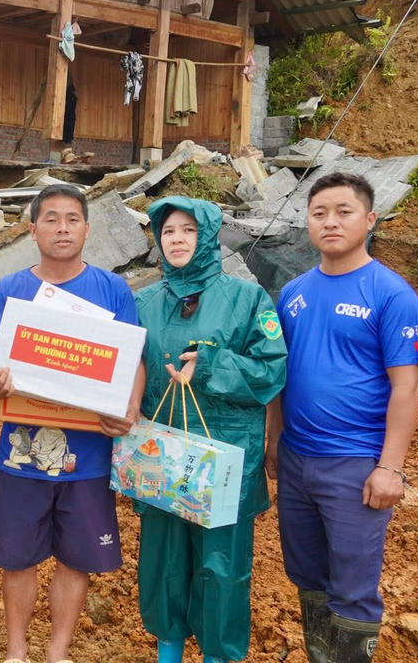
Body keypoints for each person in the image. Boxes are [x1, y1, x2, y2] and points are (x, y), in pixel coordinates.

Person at [0, 183, 145, 663]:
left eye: (72, 218)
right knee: (17, 557)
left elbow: (133, 362)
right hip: (22, 454)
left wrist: (128, 408)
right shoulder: (11, 289)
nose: (62, 228)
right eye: (50, 218)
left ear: (87, 229)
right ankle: (16, 652)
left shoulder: (112, 289)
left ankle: (57, 652)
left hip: (89, 456)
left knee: (77, 559)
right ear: (32, 230)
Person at [267, 173, 418, 663]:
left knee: (354, 585)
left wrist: (391, 467)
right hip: (296, 460)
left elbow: (409, 386)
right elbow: (279, 372)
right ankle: (321, 654)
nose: (330, 222)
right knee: (308, 575)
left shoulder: (391, 294)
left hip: (355, 465)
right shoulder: (293, 291)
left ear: (370, 219)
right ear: (307, 223)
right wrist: (275, 438)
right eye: (319, 213)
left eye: (344, 211)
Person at [132, 197, 287, 663]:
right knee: (163, 562)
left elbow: (271, 369)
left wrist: (212, 364)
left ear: (208, 236)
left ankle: (219, 655)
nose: (176, 239)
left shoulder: (247, 298)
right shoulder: (144, 302)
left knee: (222, 568)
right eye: (168, 231)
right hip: (158, 455)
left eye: (188, 230)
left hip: (224, 458)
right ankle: (168, 650)